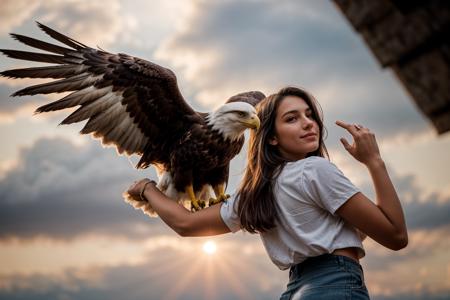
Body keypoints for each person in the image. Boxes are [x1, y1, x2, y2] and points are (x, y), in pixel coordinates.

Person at [126, 86, 408, 299]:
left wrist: (147, 188)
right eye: (292, 118)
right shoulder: (317, 171)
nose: (308, 123)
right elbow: (395, 236)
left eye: (310, 115)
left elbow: (186, 224)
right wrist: (374, 162)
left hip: (296, 291)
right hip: (334, 285)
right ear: (271, 137)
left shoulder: (256, 192)